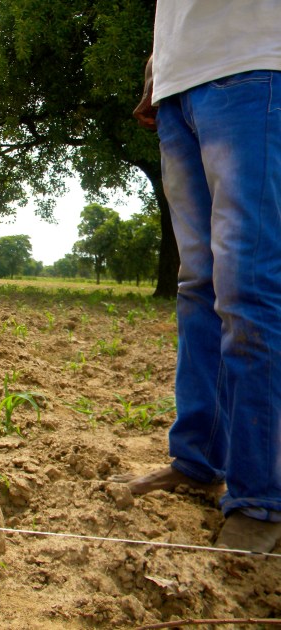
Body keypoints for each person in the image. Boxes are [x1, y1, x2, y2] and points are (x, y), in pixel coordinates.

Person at [124, 0, 281, 552]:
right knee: (198, 286)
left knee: (247, 286)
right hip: (178, 86)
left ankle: (262, 497)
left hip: (255, 63)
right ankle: (198, 460)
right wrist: (159, 60)